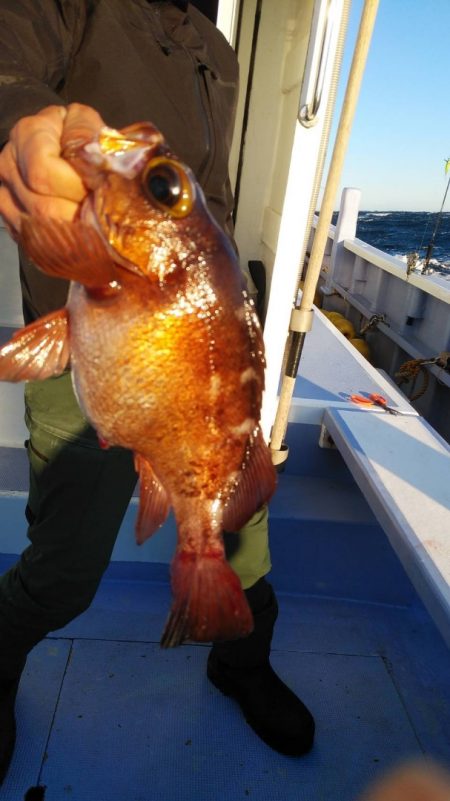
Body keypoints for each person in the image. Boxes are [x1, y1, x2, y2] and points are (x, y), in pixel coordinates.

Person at [0, 0, 315, 785]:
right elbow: (10, 71)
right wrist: (22, 128)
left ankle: (241, 664)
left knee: (240, 546)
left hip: (203, 367)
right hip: (95, 362)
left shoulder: (219, 45)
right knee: (66, 569)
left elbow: (212, 205)